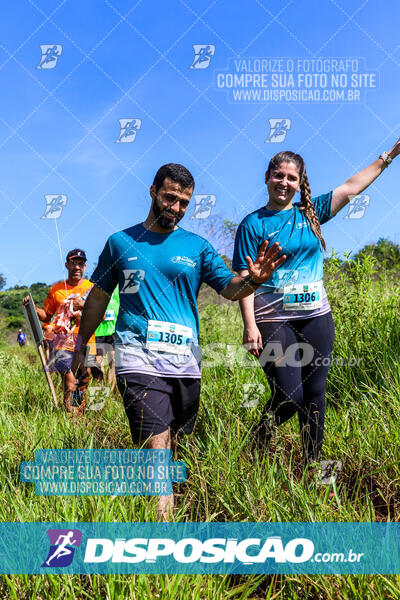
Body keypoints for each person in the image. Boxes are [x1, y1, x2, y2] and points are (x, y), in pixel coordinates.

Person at [72, 163, 286, 519]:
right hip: (137, 356)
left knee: (173, 442)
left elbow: (232, 290)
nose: (176, 207)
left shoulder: (198, 247)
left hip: (185, 362)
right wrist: (81, 345)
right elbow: (97, 298)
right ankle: (162, 537)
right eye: (170, 197)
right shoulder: (120, 243)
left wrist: (254, 280)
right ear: (153, 191)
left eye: (184, 202)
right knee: (156, 446)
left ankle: (171, 510)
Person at [233, 140, 400, 466]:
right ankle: (256, 443)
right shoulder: (253, 224)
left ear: (300, 183)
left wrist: (390, 155)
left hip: (316, 316)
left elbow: (353, 185)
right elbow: (244, 278)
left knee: (315, 395)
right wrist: (249, 325)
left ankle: (311, 468)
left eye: (291, 178)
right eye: (278, 175)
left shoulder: (311, 214)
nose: (284, 182)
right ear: (267, 177)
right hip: (271, 318)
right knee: (288, 396)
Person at [22, 249, 96, 414]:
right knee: (70, 381)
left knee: (83, 381)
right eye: (73, 263)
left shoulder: (92, 288)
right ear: (67, 265)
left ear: (84, 267)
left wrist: (85, 305)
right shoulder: (56, 289)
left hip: (86, 341)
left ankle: (79, 416)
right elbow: (46, 315)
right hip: (63, 342)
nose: (76, 267)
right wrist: (32, 308)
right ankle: (70, 417)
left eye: (80, 263)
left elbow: (103, 314)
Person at [91, 287, 119, 389]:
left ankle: (111, 390)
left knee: (113, 362)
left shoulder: (119, 288)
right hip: (99, 331)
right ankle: (101, 389)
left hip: (114, 330)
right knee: (99, 363)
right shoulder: (97, 286)